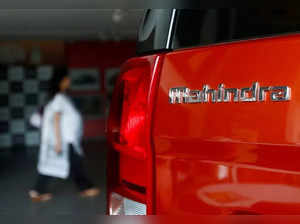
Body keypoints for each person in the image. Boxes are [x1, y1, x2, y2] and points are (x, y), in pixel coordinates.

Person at [29, 67, 100, 202]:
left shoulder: (61, 97)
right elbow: (56, 120)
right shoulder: (59, 98)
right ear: (61, 81)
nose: (69, 81)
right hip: (66, 140)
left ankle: (38, 191)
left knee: (69, 163)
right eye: (67, 79)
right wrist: (58, 142)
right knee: (73, 163)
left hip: (68, 139)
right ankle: (84, 187)